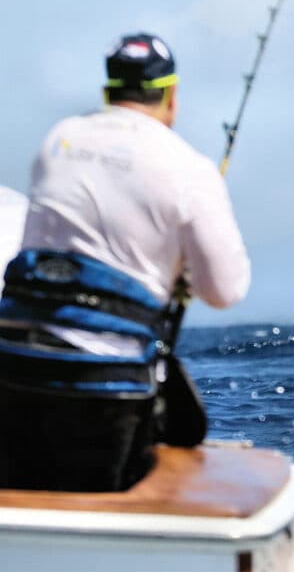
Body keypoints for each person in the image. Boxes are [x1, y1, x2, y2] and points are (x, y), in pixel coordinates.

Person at [0, 33, 250, 492]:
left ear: (109, 91)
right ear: (171, 97)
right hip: (105, 392)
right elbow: (225, 290)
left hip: (15, 373)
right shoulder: (189, 169)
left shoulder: (59, 141)